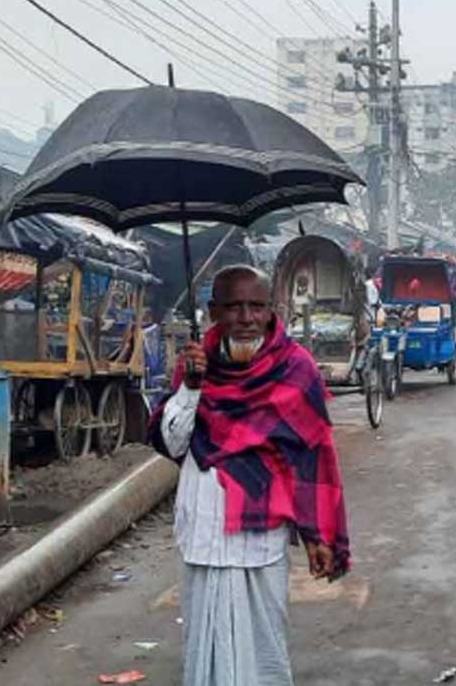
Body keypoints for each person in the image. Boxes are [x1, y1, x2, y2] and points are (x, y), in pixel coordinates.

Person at [149, 265, 350, 686]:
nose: (245, 319)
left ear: (271, 310)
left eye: (255, 307)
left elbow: (312, 459)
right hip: (202, 528)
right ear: (213, 311)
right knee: (205, 645)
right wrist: (191, 388)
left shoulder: (295, 368)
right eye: (234, 307)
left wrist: (317, 535)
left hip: (260, 536)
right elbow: (171, 445)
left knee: (262, 645)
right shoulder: (195, 366)